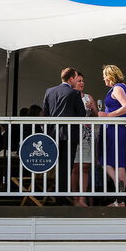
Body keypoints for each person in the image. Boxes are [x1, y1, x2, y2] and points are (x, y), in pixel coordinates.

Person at [42, 67, 87, 199]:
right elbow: (82, 114)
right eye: (77, 77)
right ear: (71, 78)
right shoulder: (74, 93)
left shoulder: (49, 91)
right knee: (66, 166)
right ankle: (61, 197)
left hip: (53, 134)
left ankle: (57, 195)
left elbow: (46, 113)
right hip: (69, 134)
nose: (78, 80)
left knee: (54, 166)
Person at [98, 64, 126, 205]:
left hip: (115, 129)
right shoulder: (124, 87)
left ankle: (119, 190)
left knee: (106, 161)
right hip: (119, 128)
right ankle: (120, 199)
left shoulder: (118, 88)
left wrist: (108, 115)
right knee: (118, 163)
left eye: (104, 77)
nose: (104, 80)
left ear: (110, 76)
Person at [71, 72, 98, 206]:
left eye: (82, 80)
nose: (81, 83)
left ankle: (83, 198)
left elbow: (97, 115)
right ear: (72, 82)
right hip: (74, 135)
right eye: (78, 81)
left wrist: (92, 108)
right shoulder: (69, 96)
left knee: (85, 166)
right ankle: (75, 199)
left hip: (87, 136)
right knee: (75, 167)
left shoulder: (88, 97)